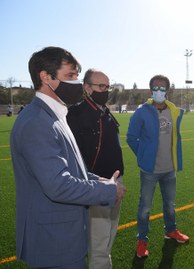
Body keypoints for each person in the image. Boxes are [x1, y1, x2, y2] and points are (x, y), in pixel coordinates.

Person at [10, 46, 127, 269]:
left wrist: (97, 179)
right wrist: (109, 191)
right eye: (70, 76)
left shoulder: (55, 115)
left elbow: (70, 169)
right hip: (53, 243)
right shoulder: (37, 121)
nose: (75, 82)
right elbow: (58, 185)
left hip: (64, 237)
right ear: (46, 77)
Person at [67, 69, 124, 269]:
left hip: (115, 183)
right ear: (87, 88)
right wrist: (93, 182)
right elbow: (72, 156)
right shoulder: (75, 114)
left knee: (109, 236)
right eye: (101, 86)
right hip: (95, 185)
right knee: (99, 242)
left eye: (108, 86)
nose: (105, 90)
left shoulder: (105, 111)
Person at [126, 74, 188, 258]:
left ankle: (171, 231)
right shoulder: (141, 112)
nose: (159, 91)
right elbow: (131, 138)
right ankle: (142, 240)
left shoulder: (174, 111)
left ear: (167, 91)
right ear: (151, 90)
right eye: (156, 88)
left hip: (170, 169)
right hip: (149, 170)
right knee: (145, 207)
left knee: (170, 205)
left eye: (163, 88)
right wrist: (144, 156)